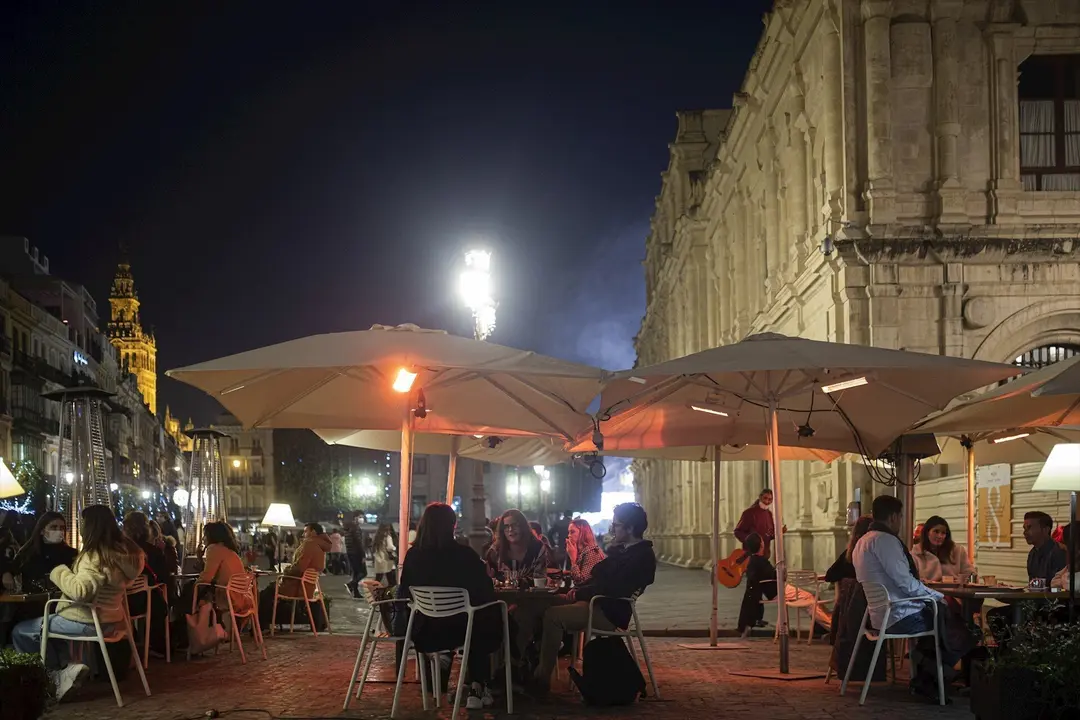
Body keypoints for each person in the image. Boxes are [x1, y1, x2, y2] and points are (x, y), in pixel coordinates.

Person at [11, 504, 144, 702]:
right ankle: (66, 670)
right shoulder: (125, 555)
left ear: (91, 526)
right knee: (47, 627)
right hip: (113, 622)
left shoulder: (94, 556)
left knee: (22, 630)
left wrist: (60, 572)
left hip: (87, 621)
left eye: (83, 522)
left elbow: (81, 592)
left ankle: (55, 676)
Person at [532, 502, 656, 694]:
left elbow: (614, 588)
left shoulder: (641, 556)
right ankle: (524, 667)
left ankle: (541, 680)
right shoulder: (622, 551)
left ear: (630, 528)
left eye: (616, 525)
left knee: (553, 616)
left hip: (609, 612)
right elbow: (599, 573)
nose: (612, 529)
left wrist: (581, 592)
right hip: (596, 602)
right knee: (541, 604)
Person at [397, 503, 505, 710]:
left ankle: (452, 665)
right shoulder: (465, 556)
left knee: (478, 620)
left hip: (425, 631)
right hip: (461, 630)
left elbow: (405, 592)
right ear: (452, 526)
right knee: (486, 620)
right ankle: (476, 686)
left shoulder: (413, 556)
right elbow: (483, 592)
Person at [853, 495, 960, 702]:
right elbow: (906, 583)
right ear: (894, 516)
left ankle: (927, 675)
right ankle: (932, 673)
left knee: (943, 621)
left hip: (879, 614)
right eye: (901, 516)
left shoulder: (862, 541)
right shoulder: (885, 541)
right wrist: (939, 596)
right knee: (954, 625)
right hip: (898, 616)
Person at [827, 515, 886, 682]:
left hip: (848, 616)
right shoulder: (872, 552)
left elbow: (830, 575)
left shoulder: (849, 553)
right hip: (869, 615)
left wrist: (845, 584)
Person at [485, 509, 551, 581]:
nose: (510, 529)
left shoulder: (537, 548)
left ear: (523, 526)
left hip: (531, 592)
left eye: (515, 525)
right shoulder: (494, 552)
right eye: (506, 526)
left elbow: (540, 579)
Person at [736, 533, 777, 637]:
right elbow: (775, 576)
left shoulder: (753, 562)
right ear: (761, 545)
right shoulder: (761, 562)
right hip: (778, 591)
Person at [912, 516, 976, 582]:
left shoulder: (958, 551)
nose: (939, 536)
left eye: (943, 533)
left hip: (954, 591)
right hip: (927, 591)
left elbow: (970, 574)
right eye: (936, 532)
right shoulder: (916, 553)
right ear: (927, 532)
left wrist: (961, 580)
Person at [734, 489, 777, 559]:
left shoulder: (769, 514)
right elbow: (738, 532)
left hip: (765, 554)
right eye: (765, 498)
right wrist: (752, 541)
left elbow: (768, 534)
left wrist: (778, 533)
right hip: (751, 554)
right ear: (760, 497)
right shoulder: (749, 513)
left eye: (770, 499)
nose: (767, 501)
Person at [565, 518, 605, 586]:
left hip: (590, 595)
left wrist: (573, 561)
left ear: (582, 533)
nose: (569, 535)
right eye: (568, 532)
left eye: (572, 532)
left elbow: (581, 582)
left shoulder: (591, 552)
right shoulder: (580, 551)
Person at [343, 513, 367, 597]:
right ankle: (350, 584)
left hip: (350, 553)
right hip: (357, 553)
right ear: (355, 518)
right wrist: (363, 555)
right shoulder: (355, 528)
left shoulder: (348, 528)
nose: (362, 519)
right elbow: (359, 542)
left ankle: (356, 593)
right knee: (363, 572)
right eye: (360, 517)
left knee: (356, 573)